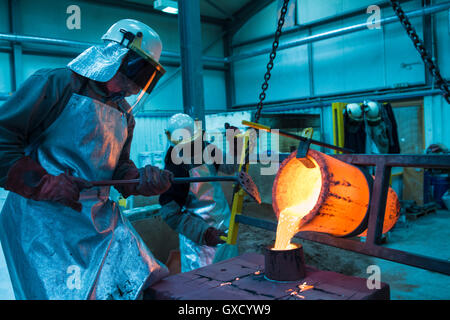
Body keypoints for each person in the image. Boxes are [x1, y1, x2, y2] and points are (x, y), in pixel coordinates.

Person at [0, 19, 174, 300]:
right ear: (113, 54)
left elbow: (119, 169)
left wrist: (141, 181)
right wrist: (43, 182)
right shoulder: (56, 85)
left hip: (98, 221)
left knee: (140, 279)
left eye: (144, 79)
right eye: (135, 72)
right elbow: (2, 136)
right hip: (43, 226)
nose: (133, 87)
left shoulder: (125, 115)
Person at [158, 113, 240, 273]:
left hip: (225, 228)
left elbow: (230, 168)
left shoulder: (206, 148)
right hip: (200, 244)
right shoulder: (174, 169)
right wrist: (204, 232)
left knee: (233, 277)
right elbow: (171, 215)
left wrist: (235, 145)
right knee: (204, 288)